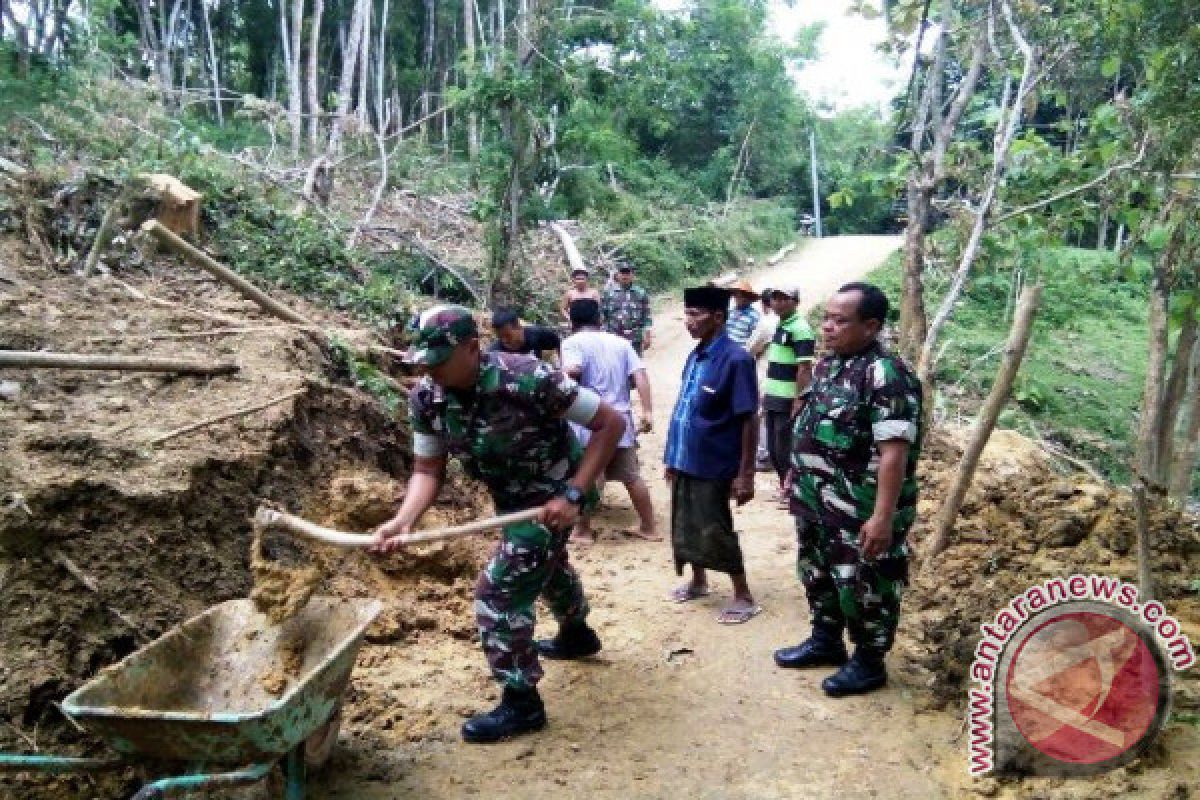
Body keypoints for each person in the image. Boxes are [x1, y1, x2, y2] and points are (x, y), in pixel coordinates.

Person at [372, 305, 625, 742]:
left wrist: (573, 494)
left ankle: (521, 702)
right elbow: (427, 470)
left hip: (558, 492)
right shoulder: (427, 400)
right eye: (424, 363)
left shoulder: (529, 377)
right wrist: (403, 520)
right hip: (511, 502)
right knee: (546, 566)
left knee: (501, 591)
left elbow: (610, 423)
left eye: (438, 362)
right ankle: (577, 632)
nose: (430, 372)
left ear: (472, 349)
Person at [774, 282, 923, 697]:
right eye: (826, 318)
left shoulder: (887, 376)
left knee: (864, 584)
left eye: (840, 321)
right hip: (816, 499)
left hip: (859, 508)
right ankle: (825, 639)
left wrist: (881, 518)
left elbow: (894, 454)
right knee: (817, 572)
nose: (828, 328)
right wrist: (795, 474)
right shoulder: (830, 365)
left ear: (871, 326)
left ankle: (869, 661)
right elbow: (810, 424)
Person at [664, 286, 761, 624]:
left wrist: (745, 474)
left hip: (714, 461)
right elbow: (686, 407)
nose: (688, 321)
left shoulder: (736, 359)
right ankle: (699, 579)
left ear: (718, 317)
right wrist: (671, 457)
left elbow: (748, 417)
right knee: (684, 522)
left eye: (695, 314)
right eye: (686, 313)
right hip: (685, 457)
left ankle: (743, 595)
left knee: (713, 525)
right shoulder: (696, 354)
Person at [561, 298, 659, 543]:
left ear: (572, 322)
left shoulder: (571, 343)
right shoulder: (621, 343)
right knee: (631, 476)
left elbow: (573, 371)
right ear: (599, 319)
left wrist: (553, 383)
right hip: (620, 420)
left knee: (585, 475)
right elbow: (640, 376)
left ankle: (582, 530)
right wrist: (647, 412)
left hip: (589, 421)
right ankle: (649, 527)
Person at [762, 286, 815, 506]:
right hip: (773, 395)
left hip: (787, 399)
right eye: (775, 298)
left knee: (783, 447)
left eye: (785, 298)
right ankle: (785, 486)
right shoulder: (781, 325)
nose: (779, 302)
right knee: (774, 448)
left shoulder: (801, 328)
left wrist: (799, 398)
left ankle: (792, 490)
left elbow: (804, 367)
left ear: (796, 302)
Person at [746, 289, 778, 471]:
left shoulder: (766, 323)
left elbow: (750, 348)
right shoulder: (789, 321)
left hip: (765, 374)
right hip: (784, 378)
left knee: (761, 414)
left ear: (765, 305)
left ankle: (764, 456)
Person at [601, 264, 653, 355]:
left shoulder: (640, 293)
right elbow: (602, 316)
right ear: (617, 275)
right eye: (622, 273)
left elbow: (646, 316)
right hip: (614, 337)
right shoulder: (608, 293)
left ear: (632, 275)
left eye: (627, 273)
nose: (625, 276)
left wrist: (648, 336)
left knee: (635, 367)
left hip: (635, 338)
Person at [490, 307, 562, 363]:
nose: (504, 340)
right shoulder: (495, 351)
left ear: (518, 327)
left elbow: (558, 343)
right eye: (500, 337)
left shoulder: (537, 334)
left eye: (507, 335)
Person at [724, 280, 762, 348]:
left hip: (738, 352)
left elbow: (755, 339)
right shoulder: (730, 312)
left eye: (741, 296)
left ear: (748, 298)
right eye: (735, 295)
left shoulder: (754, 316)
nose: (737, 298)